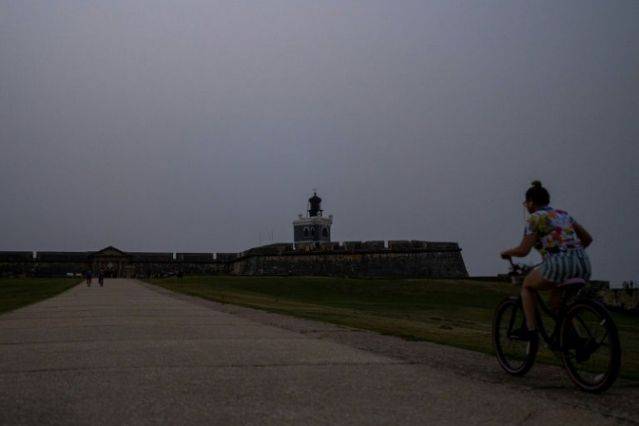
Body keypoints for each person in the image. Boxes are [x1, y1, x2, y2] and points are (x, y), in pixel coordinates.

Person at [500, 181, 593, 340]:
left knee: (527, 286)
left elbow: (523, 250)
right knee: (557, 303)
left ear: (530, 202)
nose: (525, 206)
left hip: (557, 265)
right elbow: (587, 239)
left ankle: (530, 330)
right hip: (582, 264)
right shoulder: (563, 214)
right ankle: (575, 339)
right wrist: (570, 252)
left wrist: (506, 252)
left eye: (526, 203)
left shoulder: (535, 219)